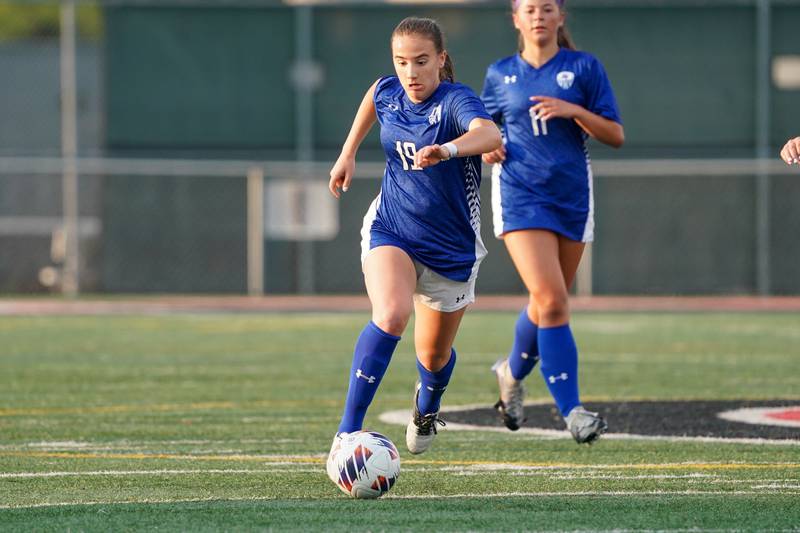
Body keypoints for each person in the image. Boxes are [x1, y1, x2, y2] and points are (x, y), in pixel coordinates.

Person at [325, 16, 502, 473]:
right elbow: (373, 96)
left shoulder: (455, 100)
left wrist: (447, 149)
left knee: (434, 356)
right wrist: (347, 153)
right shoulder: (389, 90)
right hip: (393, 228)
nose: (411, 73)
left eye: (421, 61)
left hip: (451, 249)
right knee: (391, 314)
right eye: (402, 62)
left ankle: (427, 404)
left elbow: (489, 134)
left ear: (441, 60)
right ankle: (346, 432)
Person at [480, 0, 624, 444]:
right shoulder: (500, 73)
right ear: (516, 19)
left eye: (547, 8)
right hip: (521, 195)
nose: (538, 15)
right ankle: (573, 412)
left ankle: (511, 371)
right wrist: (488, 147)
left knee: (545, 304)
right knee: (553, 299)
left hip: (571, 196)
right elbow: (482, 130)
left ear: (561, 17)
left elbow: (615, 134)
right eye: (529, 9)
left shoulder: (584, 67)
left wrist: (573, 110)